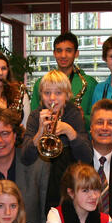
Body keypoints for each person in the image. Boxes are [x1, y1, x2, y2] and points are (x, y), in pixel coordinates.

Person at [20, 70, 93, 208]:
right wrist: (39, 133)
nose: (52, 98)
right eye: (47, 93)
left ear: (67, 95)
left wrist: (70, 132)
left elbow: (87, 157)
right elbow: (25, 158)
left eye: (58, 93)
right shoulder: (35, 116)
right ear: (41, 95)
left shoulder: (74, 114)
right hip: (40, 180)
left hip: (68, 182)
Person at [30, 32, 97, 127]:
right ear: (54, 53)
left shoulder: (90, 83)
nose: (63, 55)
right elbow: (34, 118)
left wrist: (83, 118)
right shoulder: (40, 83)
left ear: (76, 53)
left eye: (68, 51)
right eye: (59, 51)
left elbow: (97, 118)